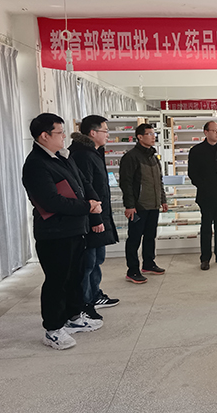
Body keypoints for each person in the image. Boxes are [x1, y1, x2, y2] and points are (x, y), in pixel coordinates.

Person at [22, 113, 103, 350]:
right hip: (54, 233)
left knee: (75, 276)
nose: (64, 136)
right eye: (59, 132)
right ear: (44, 136)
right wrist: (87, 207)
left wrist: (93, 201)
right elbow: (50, 201)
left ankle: (73, 317)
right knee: (57, 281)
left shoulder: (61, 157)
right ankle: (53, 329)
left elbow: (82, 183)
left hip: (75, 228)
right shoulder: (36, 164)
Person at [69, 115, 120, 320]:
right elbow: (85, 189)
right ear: (92, 132)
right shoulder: (82, 155)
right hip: (91, 218)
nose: (108, 135)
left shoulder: (94, 152)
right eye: (105, 131)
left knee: (97, 259)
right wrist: (95, 219)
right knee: (87, 263)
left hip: (100, 214)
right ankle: (85, 302)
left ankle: (95, 295)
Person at [119, 123, 168, 284]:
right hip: (138, 206)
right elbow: (126, 183)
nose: (153, 137)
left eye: (154, 134)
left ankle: (149, 263)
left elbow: (159, 181)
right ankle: (132, 270)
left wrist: (163, 199)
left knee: (150, 236)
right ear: (140, 137)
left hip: (153, 204)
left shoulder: (153, 156)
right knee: (134, 238)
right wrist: (129, 205)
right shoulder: (131, 157)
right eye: (150, 134)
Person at [188, 121, 217, 271]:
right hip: (206, 195)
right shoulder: (196, 151)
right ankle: (205, 258)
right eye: (214, 131)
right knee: (206, 227)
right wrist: (203, 186)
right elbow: (192, 173)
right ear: (206, 132)